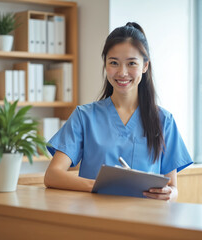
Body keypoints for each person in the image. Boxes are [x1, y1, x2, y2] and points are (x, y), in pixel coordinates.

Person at [44, 22, 193, 201]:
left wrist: (170, 193)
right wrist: (99, 186)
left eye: (131, 63)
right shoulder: (84, 117)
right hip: (96, 219)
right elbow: (52, 175)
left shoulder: (164, 120)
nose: (122, 73)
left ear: (145, 66)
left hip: (146, 220)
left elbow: (173, 188)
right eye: (114, 63)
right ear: (105, 65)